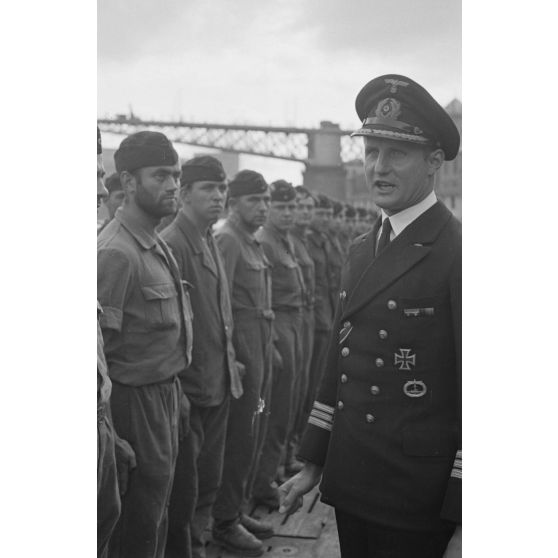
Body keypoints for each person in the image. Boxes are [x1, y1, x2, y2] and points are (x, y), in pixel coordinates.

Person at [280, 74, 462, 558]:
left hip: (417, 497)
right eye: (371, 152)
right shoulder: (362, 250)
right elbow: (339, 363)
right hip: (354, 483)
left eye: (396, 154)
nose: (378, 168)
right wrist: (314, 463)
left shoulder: (458, 252)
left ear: (434, 163)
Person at [97, 131, 193, 558]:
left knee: (157, 513)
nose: (173, 185)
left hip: (165, 397)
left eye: (175, 175)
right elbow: (98, 355)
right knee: (136, 524)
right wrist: (114, 434)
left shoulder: (153, 242)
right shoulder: (116, 253)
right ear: (129, 183)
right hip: (132, 407)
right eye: (160, 175)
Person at [161, 156, 243, 558]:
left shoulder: (208, 237)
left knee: (209, 475)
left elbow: (216, 313)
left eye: (222, 188)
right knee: (186, 487)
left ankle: (206, 538)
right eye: (208, 188)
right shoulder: (174, 243)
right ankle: (191, 547)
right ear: (185, 194)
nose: (218, 196)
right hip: (191, 388)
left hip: (217, 379)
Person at [211, 170, 275, 557]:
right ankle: (224, 522)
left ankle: (234, 510)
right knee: (237, 438)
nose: (263, 207)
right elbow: (221, 307)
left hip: (260, 345)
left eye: (266, 199)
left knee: (251, 431)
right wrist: (233, 358)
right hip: (242, 354)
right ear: (233, 203)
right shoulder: (228, 240)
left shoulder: (250, 240)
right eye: (255, 200)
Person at [284, 186, 317, 476]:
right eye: (298, 207)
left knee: (299, 392)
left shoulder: (297, 241)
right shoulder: (281, 241)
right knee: (277, 401)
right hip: (284, 328)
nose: (301, 213)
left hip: (305, 322)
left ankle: (288, 451)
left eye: (307, 207)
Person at [304, 193, 335, 413]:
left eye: (328, 214)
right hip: (313, 321)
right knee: (308, 379)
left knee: (317, 378)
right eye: (321, 213)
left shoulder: (325, 242)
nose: (325, 219)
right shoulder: (305, 242)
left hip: (327, 318)